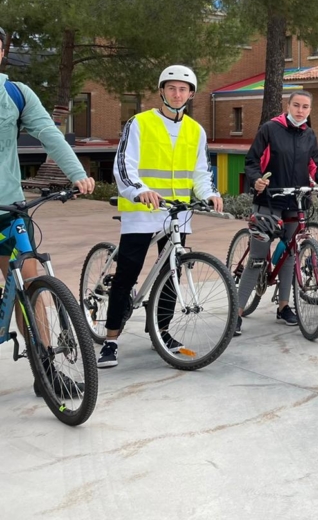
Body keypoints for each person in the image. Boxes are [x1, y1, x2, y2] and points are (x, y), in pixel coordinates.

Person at [98, 65, 222, 369]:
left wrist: (209, 194)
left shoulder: (196, 130)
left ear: (190, 94)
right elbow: (124, 165)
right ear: (162, 91)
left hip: (177, 213)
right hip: (142, 211)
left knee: (171, 274)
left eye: (183, 89)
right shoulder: (139, 123)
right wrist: (140, 190)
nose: (177, 94)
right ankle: (111, 338)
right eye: (171, 88)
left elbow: (201, 172)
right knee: (127, 274)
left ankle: (161, 331)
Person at [0, 27, 95, 396]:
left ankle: (46, 371)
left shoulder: (16, 94)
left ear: (3, 53)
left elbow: (49, 133)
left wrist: (77, 173)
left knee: (31, 285)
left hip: (9, 207)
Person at [237, 90, 318, 335]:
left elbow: (316, 166)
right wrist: (256, 180)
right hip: (268, 200)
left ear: (310, 110)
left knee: (290, 254)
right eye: (296, 105)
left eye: (305, 107)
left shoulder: (309, 134)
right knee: (257, 259)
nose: (300, 110)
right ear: (288, 105)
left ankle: (284, 306)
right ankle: (237, 313)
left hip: (296, 203)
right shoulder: (270, 129)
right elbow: (252, 161)